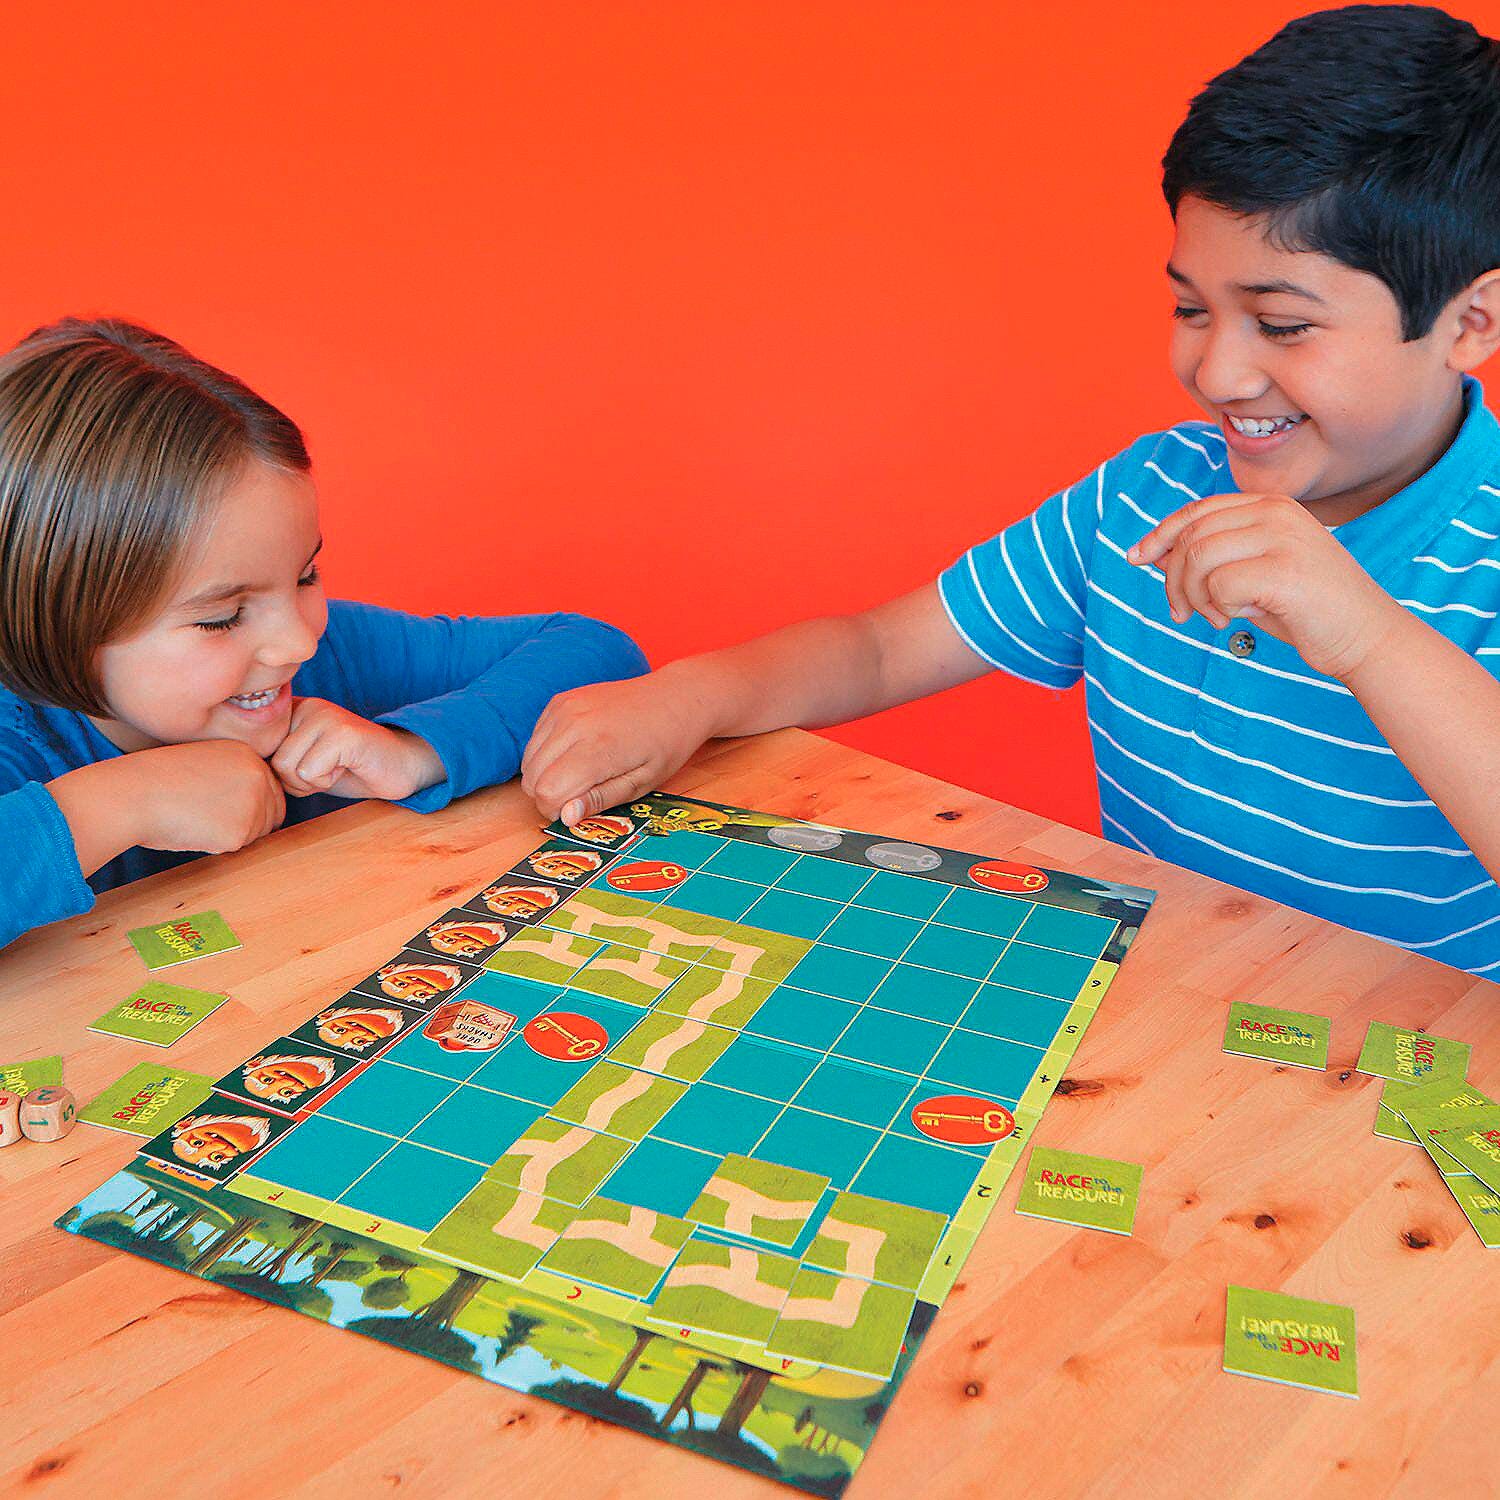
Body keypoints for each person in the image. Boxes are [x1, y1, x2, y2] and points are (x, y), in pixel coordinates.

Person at [522, 5, 1500, 976]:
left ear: (1470, 324)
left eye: (1282, 325)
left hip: (1407, 1053)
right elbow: (877, 649)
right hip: (1162, 1017)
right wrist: (688, 694)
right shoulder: (1145, 493)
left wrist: (1365, 636)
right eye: (1190, 309)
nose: (1218, 372)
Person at [0, 318, 646, 949]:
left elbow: (594, 649)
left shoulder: (327, 654)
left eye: (306, 575)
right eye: (222, 617)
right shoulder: (16, 741)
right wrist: (116, 805)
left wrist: (414, 751)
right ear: (49, 619)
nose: (298, 643)